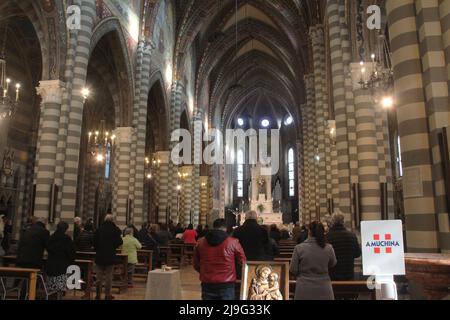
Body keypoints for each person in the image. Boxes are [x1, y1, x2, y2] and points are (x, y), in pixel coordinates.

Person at [194, 218, 246, 300]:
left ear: (213, 227)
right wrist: (234, 272)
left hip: (207, 282)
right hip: (227, 283)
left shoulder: (200, 242)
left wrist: (205, 272)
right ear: (225, 228)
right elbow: (243, 262)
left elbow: (196, 264)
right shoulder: (233, 242)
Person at [290, 221, 337, 300]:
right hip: (324, 286)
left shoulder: (299, 248)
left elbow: (293, 269)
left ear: (309, 231)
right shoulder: (328, 248)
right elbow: (333, 263)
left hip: (304, 287)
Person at [93, 214, 123, 300]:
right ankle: (107, 295)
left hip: (100, 255)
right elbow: (120, 242)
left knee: (98, 276)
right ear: (112, 220)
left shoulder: (99, 229)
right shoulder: (115, 230)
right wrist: (113, 246)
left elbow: (94, 242)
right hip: (110, 255)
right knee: (109, 277)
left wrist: (98, 248)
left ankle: (98, 295)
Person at [45, 221, 76, 300]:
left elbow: (48, 248)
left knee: (51, 288)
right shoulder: (67, 239)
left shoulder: (51, 237)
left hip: (51, 265)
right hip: (62, 267)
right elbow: (71, 253)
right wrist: (71, 261)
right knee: (60, 288)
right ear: (65, 229)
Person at [327, 213, 361, 281]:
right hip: (348, 273)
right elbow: (357, 254)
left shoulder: (328, 237)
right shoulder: (352, 236)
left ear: (332, 222)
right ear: (343, 222)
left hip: (333, 274)